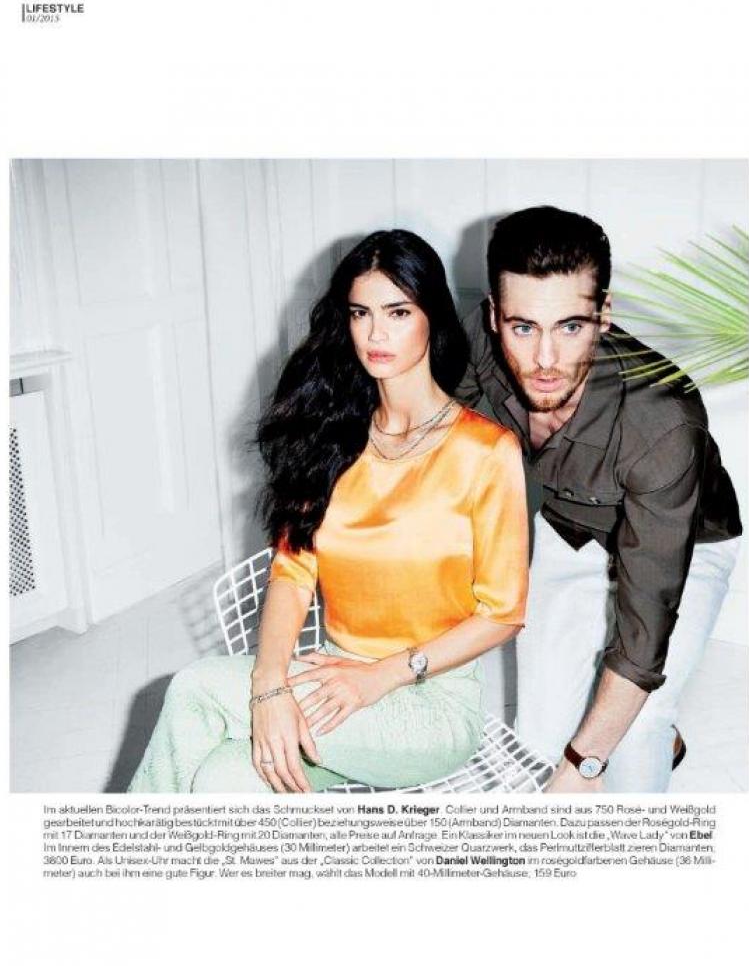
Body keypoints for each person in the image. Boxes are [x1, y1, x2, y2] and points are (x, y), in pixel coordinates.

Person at [128, 229, 529, 793]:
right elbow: (293, 573)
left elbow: (504, 614)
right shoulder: (330, 436)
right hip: (329, 678)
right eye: (361, 313)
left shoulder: (485, 451)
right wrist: (270, 685)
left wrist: (379, 677)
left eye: (397, 312)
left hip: (429, 698)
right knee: (221, 782)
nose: (376, 333)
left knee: (195, 688)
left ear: (432, 318)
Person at [457, 206, 742, 794]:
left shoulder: (663, 423)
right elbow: (436, 434)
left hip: (687, 544)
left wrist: (586, 763)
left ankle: (652, 762)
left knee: (630, 734)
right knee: (538, 743)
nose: (545, 360)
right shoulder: (478, 344)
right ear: (493, 316)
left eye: (570, 327)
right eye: (523, 328)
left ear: (604, 314)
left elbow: (641, 638)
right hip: (570, 526)